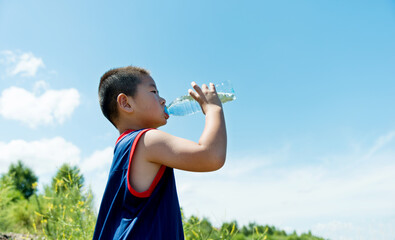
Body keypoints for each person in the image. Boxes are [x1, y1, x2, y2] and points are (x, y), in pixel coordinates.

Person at [92, 66, 227, 239]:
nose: (163, 100)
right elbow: (211, 156)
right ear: (126, 103)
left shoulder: (124, 147)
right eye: (153, 91)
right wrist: (213, 109)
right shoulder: (147, 140)